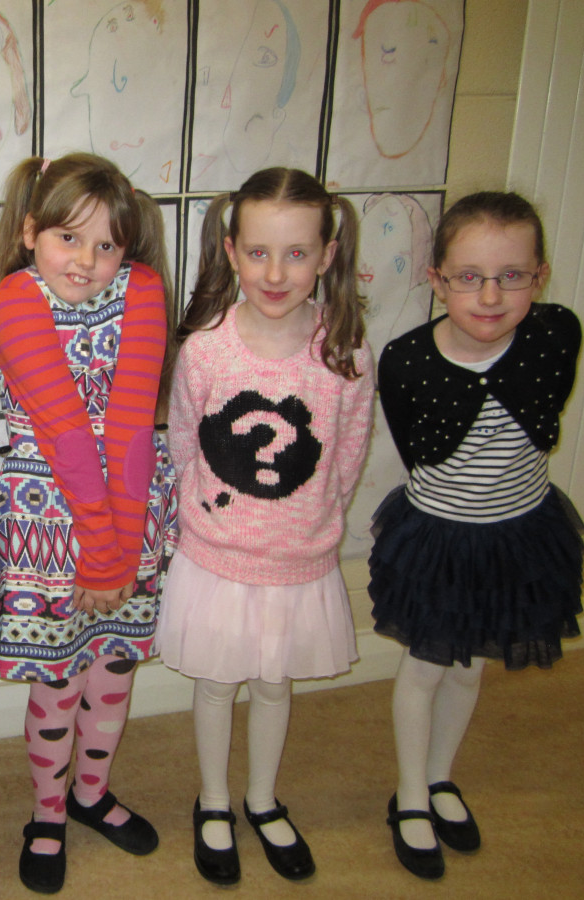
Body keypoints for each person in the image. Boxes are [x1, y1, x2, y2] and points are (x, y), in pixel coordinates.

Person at [0, 152, 178, 894]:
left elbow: (129, 426)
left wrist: (121, 552)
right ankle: (48, 813)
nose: (86, 260)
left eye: (106, 244)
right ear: (30, 232)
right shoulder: (15, 301)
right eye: (68, 238)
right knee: (59, 679)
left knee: (112, 667)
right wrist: (100, 556)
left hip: (130, 505)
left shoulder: (141, 289)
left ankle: (92, 794)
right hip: (50, 521)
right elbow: (68, 438)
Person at [158, 167, 373, 885]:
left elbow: (347, 452)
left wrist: (310, 522)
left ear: (328, 255)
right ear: (230, 251)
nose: (275, 273)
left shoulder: (344, 351)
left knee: (276, 684)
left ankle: (260, 798)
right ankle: (214, 801)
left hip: (298, 559)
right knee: (218, 683)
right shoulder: (206, 348)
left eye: (296, 253)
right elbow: (184, 442)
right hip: (217, 557)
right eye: (258, 253)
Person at [369, 191, 584, 880]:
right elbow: (416, 449)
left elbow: (544, 412)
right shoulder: (406, 360)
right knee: (426, 666)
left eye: (511, 275)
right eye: (469, 276)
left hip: (520, 532)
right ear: (438, 280)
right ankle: (408, 795)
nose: (490, 296)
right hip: (441, 538)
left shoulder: (556, 335)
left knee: (471, 666)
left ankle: (440, 777)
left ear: (539, 276)